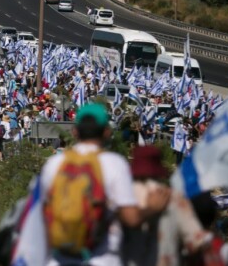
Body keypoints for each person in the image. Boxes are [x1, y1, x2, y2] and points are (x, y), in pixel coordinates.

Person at [39, 103, 170, 265]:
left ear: (75, 132)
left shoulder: (54, 163)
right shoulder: (114, 164)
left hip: (59, 258)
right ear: (107, 133)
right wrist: (152, 207)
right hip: (102, 258)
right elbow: (131, 218)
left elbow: (42, 212)